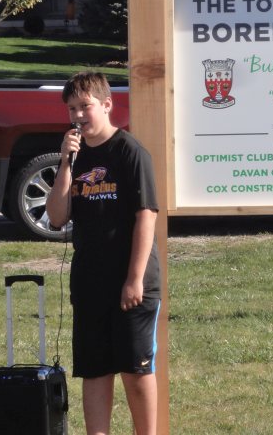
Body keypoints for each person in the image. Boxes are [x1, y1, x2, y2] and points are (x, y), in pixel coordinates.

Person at [46, 71, 160, 435]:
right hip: (90, 281)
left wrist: (135, 278)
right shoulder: (74, 157)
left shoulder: (130, 152)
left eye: (86, 106)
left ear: (107, 105)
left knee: (134, 369)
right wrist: (65, 162)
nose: (78, 115)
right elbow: (58, 215)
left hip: (131, 282)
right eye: (72, 109)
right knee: (94, 371)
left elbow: (146, 216)